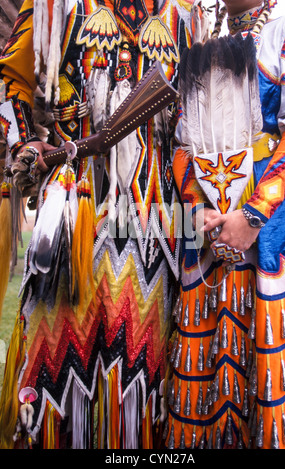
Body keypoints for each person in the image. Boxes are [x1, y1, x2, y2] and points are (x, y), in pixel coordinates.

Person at [0, 0, 210, 449]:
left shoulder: (184, 17)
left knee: (142, 370)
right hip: (76, 210)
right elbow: (11, 80)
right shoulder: (60, 7)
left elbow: (198, 121)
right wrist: (32, 143)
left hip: (157, 221)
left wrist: (201, 203)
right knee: (53, 359)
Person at [165, 0, 285, 449]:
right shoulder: (200, 42)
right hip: (206, 243)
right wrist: (194, 208)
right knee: (204, 381)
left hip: (270, 237)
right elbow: (181, 145)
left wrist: (253, 215)